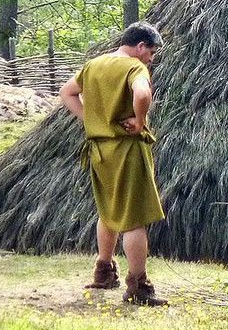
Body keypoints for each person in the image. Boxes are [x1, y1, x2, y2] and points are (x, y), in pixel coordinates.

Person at [60, 21, 167, 306]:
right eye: (151, 53)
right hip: (126, 149)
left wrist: (90, 120)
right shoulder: (135, 68)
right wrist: (140, 121)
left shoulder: (93, 65)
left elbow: (67, 92)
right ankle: (138, 286)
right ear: (140, 46)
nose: (151, 59)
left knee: (108, 210)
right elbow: (142, 94)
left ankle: (103, 270)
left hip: (99, 149)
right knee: (134, 218)